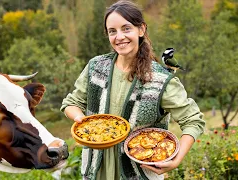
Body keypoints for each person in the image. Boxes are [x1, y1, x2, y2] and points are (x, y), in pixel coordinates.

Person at [60, 0, 205, 179]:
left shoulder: (160, 79)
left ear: (141, 30)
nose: (119, 37)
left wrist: (176, 159)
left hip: (138, 173)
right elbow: (71, 103)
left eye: (126, 28)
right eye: (112, 31)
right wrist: (82, 121)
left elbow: (193, 120)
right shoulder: (95, 67)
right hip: (96, 170)